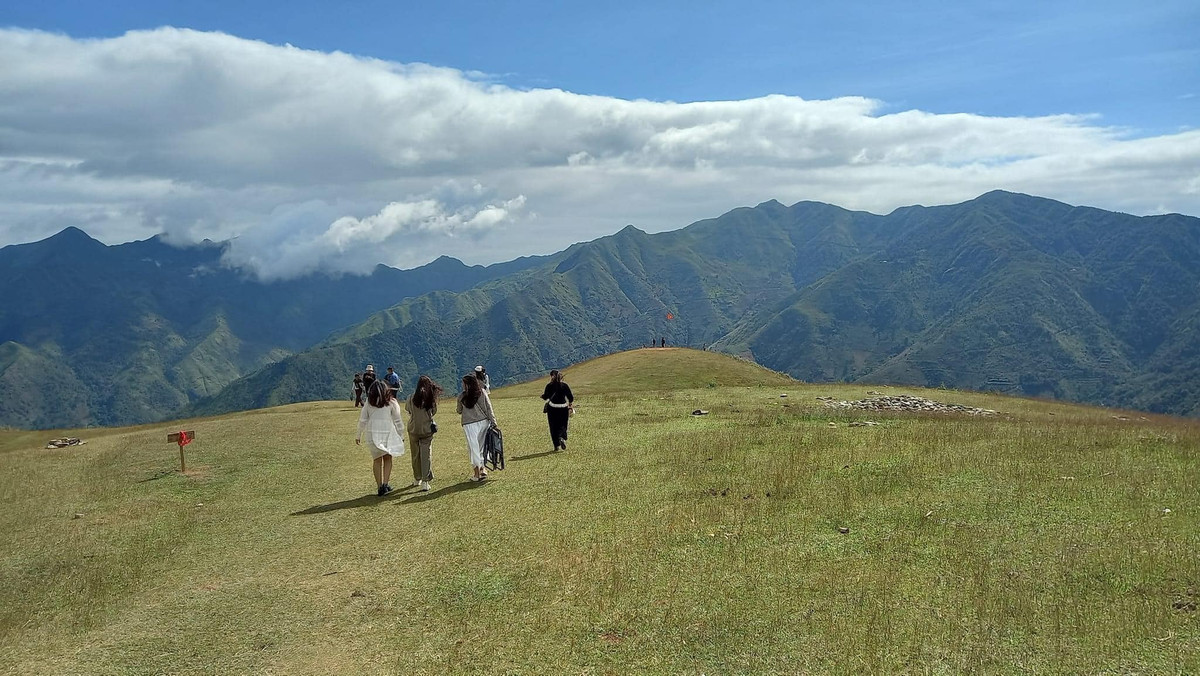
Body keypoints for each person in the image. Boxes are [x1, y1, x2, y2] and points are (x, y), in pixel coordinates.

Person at [355, 380, 405, 496]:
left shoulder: (369, 402)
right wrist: (401, 434)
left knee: (377, 460)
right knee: (388, 458)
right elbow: (397, 420)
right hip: (387, 433)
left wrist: (358, 434)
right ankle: (385, 484)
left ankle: (379, 486)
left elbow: (363, 420)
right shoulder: (391, 402)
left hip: (372, 433)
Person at [457, 373, 498, 482]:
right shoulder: (482, 392)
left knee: (473, 448)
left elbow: (459, 410)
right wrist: (493, 421)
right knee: (483, 446)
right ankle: (483, 468)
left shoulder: (462, 396)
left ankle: (477, 473)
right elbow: (489, 408)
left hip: (469, 424)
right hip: (483, 421)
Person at [405, 375, 442, 492]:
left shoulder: (411, 398)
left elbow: (408, 410)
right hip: (426, 430)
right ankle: (425, 481)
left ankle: (417, 478)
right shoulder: (430, 399)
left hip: (413, 429)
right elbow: (434, 412)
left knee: (415, 455)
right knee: (426, 455)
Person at [540, 369, 575, 451]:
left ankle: (556, 445)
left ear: (552, 376)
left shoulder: (549, 386)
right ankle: (562, 437)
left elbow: (546, 396)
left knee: (553, 427)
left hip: (552, 408)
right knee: (563, 424)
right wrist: (570, 404)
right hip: (563, 408)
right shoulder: (564, 385)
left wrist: (542, 396)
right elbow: (571, 397)